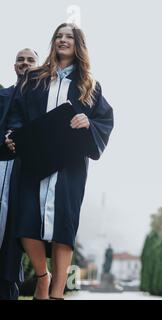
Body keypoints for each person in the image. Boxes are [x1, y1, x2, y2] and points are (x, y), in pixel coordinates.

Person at [5, 23, 114, 300]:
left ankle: (56, 293)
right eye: (58, 36)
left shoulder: (89, 84)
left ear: (78, 45)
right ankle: (44, 276)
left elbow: (104, 120)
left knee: (63, 228)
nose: (63, 40)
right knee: (25, 224)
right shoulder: (35, 79)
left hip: (70, 164)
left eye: (69, 37)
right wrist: (11, 135)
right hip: (34, 160)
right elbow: (17, 113)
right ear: (53, 42)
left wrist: (87, 122)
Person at [0, 48, 39, 300]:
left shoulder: (44, 97)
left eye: (30, 60)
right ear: (14, 66)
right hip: (1, 164)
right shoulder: (2, 95)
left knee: (14, 231)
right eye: (20, 60)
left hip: (25, 171)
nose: (24, 63)